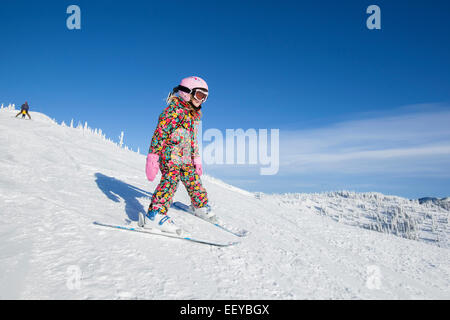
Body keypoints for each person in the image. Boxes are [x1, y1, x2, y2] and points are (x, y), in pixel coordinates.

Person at [141, 76, 214, 234]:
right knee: (170, 181)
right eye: (200, 95)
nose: (202, 100)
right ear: (187, 92)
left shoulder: (192, 116)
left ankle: (199, 206)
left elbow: (193, 140)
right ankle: (155, 215)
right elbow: (159, 134)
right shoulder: (173, 111)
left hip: (186, 157)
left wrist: (197, 158)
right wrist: (153, 157)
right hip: (170, 155)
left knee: (194, 180)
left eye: (205, 97)